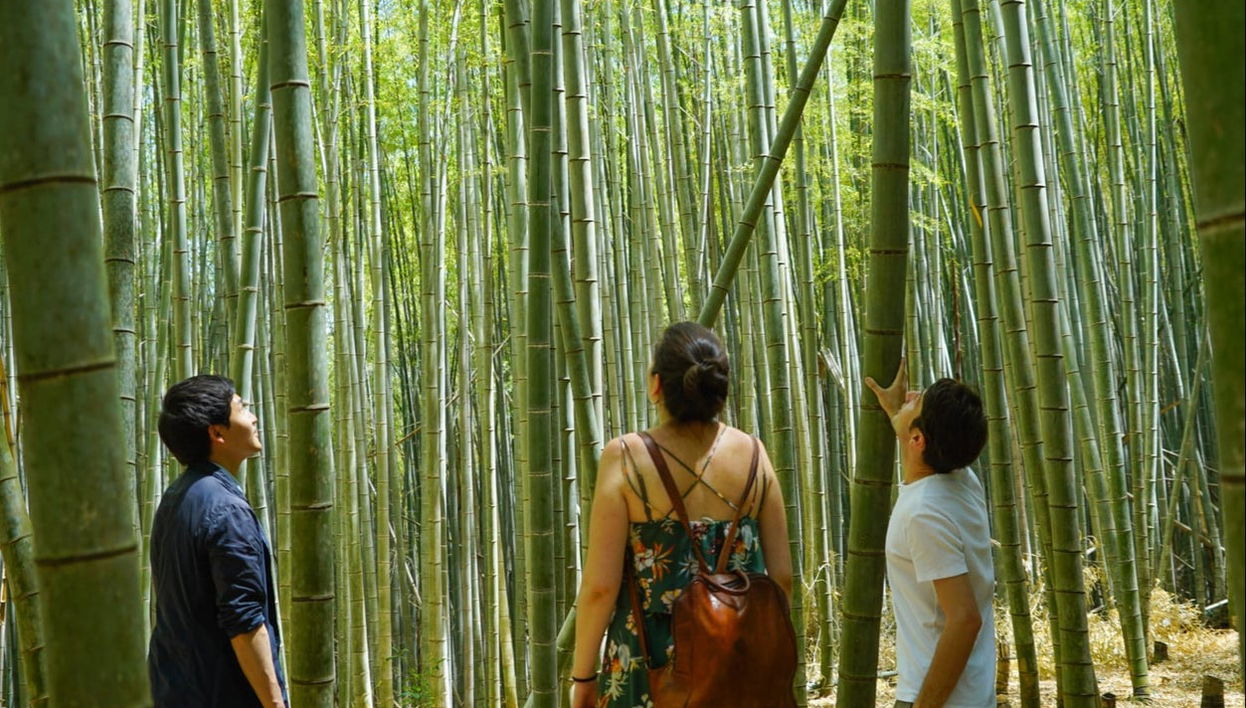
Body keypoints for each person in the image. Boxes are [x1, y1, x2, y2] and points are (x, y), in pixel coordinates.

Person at [569, 321, 793, 708]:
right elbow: (782, 579)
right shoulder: (755, 455)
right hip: (738, 667)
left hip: (650, 667)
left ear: (657, 385)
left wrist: (583, 677)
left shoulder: (626, 458)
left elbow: (600, 589)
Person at [148, 375, 287, 708]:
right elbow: (244, 621)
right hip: (221, 692)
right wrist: (275, 703)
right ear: (217, 433)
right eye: (242, 408)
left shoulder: (176, 497)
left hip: (174, 689)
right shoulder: (226, 510)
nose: (253, 417)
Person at [866, 359, 996, 708]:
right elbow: (922, 455)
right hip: (971, 694)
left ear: (918, 439)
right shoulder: (963, 480)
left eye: (916, 401)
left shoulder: (923, 515)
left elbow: (965, 619)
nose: (909, 395)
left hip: (936, 698)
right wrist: (900, 414)